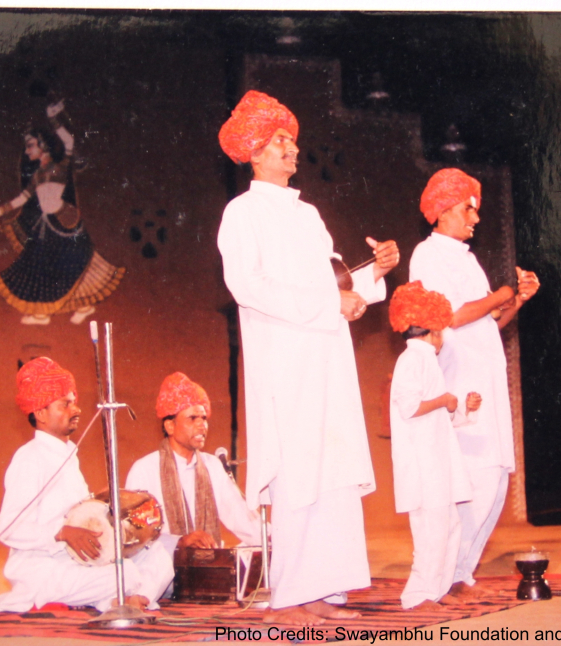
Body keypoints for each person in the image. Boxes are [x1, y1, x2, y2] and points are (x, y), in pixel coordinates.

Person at [216, 90, 400, 626]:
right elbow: (246, 286)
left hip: (327, 358)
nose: (292, 150)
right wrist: (329, 303)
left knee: (332, 471)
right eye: (279, 142)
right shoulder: (241, 213)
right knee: (299, 473)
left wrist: (377, 273)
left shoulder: (310, 215)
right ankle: (291, 597)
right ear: (254, 151)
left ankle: (325, 588)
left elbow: (337, 283)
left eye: (293, 141)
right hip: (286, 363)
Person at [408, 168, 540, 598]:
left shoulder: (466, 257)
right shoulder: (427, 255)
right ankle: (445, 577)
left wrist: (515, 299)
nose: (476, 218)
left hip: (487, 378)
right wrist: (501, 293)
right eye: (469, 209)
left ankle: (462, 573)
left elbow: (488, 323)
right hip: (460, 382)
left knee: (494, 479)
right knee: (470, 479)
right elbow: (448, 317)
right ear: (444, 209)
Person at [0, 357, 173, 613]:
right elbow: (8, 529)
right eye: (65, 404)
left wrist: (100, 505)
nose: (76, 410)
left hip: (77, 562)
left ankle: (132, 600)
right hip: (43, 569)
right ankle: (119, 598)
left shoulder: (66, 455)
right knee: (125, 574)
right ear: (41, 413)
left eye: (74, 402)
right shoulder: (30, 457)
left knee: (158, 555)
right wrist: (61, 532)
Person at [0, 100, 124, 325]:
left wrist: (53, 119)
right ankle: (47, 313)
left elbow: (69, 141)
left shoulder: (59, 166)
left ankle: (78, 307)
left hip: (65, 222)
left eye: (31, 145)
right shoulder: (38, 175)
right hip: (47, 225)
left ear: (43, 145)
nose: (28, 150)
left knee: (72, 265)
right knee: (46, 268)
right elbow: (23, 198)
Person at [388, 281, 477, 610]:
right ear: (432, 331)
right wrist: (444, 399)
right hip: (423, 465)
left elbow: (437, 418)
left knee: (448, 525)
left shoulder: (425, 361)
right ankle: (418, 595)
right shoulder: (413, 360)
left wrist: (460, 407)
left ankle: (437, 590)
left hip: (436, 460)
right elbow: (410, 407)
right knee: (431, 530)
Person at [125, 372, 262, 558]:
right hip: (161, 575)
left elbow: (241, 518)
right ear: (170, 426)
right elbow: (136, 537)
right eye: (192, 418)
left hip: (207, 573)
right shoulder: (145, 470)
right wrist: (179, 542)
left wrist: (271, 537)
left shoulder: (212, 466)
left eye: (204, 418)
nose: (202, 425)